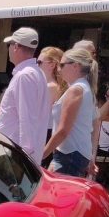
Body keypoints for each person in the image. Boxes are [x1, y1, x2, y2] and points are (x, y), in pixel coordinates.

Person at [0, 26, 52, 163]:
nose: (8, 49)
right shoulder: (36, 73)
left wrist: (23, 155)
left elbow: (27, 117)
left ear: (16, 47)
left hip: (11, 155)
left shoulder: (25, 75)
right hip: (13, 153)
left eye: (10, 45)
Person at [42, 46, 98, 178]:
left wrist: (42, 154)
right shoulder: (84, 87)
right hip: (72, 153)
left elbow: (63, 131)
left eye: (62, 65)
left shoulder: (76, 89)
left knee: (55, 195)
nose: (59, 69)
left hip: (69, 154)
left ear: (75, 66)